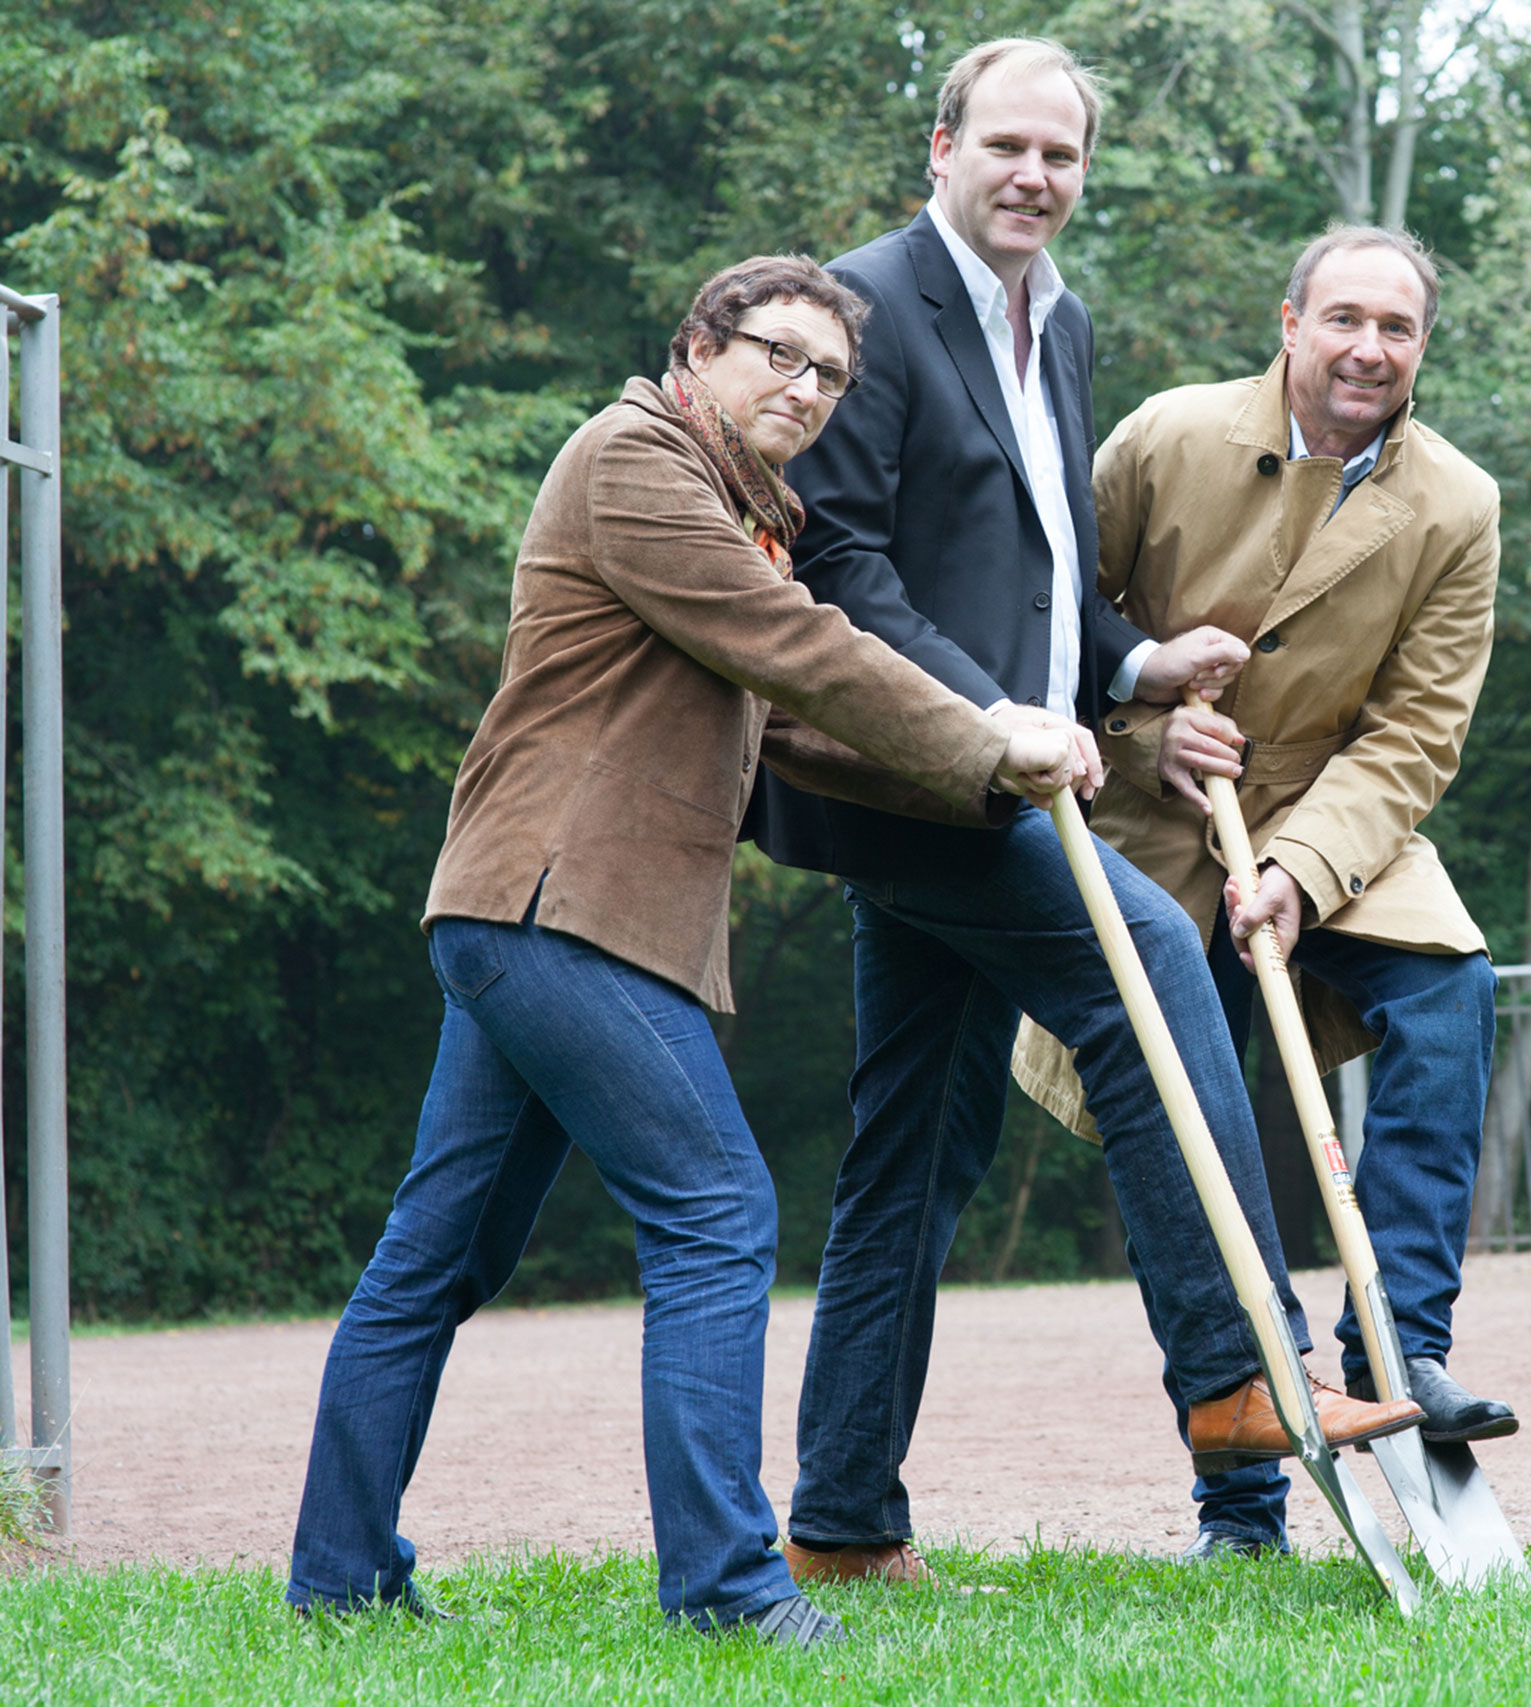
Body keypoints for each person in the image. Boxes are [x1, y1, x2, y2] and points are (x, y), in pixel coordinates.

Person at [285, 255, 1080, 1645]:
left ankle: (338, 1581)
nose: (808, 390)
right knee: (717, 1217)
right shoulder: (634, 457)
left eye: (831, 376)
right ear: (700, 345)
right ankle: (727, 1594)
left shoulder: (734, 509)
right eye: (780, 354)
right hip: (557, 906)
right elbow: (795, 647)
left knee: (436, 1258)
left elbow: (803, 733)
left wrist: (989, 778)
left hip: (542, 917)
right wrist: (988, 723)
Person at [746, 38, 1422, 1586]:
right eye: (1007, 147)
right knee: (1154, 979)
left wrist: (1130, 658)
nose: (1034, 176)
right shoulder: (863, 314)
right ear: (941, 148)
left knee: (913, 1152)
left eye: (1061, 155)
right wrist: (997, 725)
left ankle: (844, 1520)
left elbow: (1041, 572)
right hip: (924, 789)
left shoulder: (1061, 326)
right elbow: (846, 578)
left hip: (1009, 772)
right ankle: (1234, 1375)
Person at [1024, 225, 1511, 1561]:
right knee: (1194, 1121)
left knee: (1451, 985)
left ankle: (1400, 1343)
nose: (1368, 348)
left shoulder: (1458, 504)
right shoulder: (1166, 436)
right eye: (1344, 318)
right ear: (1288, 320)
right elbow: (1052, 623)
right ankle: (1240, 1504)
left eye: (1397, 328)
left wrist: (1299, 870)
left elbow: (1417, 733)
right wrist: (1143, 720)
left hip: (1337, 815)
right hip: (1147, 807)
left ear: (1422, 347)